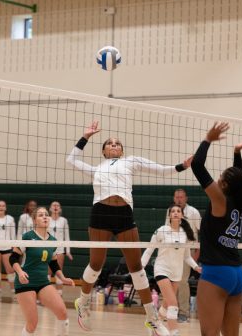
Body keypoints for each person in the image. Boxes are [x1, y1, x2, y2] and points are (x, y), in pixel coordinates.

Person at [66, 120, 191, 335]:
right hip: (100, 214)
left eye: (117, 143)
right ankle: (83, 301)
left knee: (136, 267)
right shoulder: (96, 169)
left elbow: (160, 170)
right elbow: (71, 159)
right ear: (104, 151)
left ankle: (152, 318)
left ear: (122, 150)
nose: (114, 145)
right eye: (109, 143)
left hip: (124, 214)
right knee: (96, 263)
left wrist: (181, 166)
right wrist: (85, 136)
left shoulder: (130, 161)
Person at [191, 122, 242, 336]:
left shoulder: (220, 199)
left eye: (221, 177)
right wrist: (236, 152)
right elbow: (240, 179)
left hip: (216, 272)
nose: (217, 179)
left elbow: (197, 165)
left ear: (224, 185)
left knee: (209, 333)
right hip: (236, 273)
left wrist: (207, 139)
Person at [11, 207, 74, 336]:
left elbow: (53, 263)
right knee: (32, 324)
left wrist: (62, 278)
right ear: (34, 221)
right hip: (26, 282)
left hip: (43, 282)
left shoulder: (53, 241)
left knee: (63, 313)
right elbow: (13, 258)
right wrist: (20, 272)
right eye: (40, 215)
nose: (45, 217)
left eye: (46, 215)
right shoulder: (28, 236)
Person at [142, 204, 201, 336]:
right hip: (162, 269)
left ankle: (152, 322)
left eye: (178, 211)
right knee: (174, 303)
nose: (175, 213)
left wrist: (196, 267)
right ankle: (174, 333)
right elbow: (149, 250)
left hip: (176, 272)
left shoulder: (185, 234)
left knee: (167, 303)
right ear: (169, 215)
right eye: (172, 211)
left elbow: (186, 256)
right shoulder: (161, 231)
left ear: (182, 215)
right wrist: (140, 268)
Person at [163, 189, 201, 322]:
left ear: (186, 198)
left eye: (181, 197)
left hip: (187, 251)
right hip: (172, 251)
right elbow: (167, 231)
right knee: (172, 281)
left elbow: (201, 233)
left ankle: (184, 313)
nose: (179, 199)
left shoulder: (193, 212)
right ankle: (172, 311)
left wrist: (197, 253)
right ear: (174, 198)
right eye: (177, 197)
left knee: (182, 282)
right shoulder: (170, 212)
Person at [48, 201, 72, 295]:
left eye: (57, 205)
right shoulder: (47, 219)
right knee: (47, 272)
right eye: (53, 205)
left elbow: (67, 236)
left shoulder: (63, 220)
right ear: (50, 208)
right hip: (48, 248)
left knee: (59, 272)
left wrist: (68, 251)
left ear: (60, 209)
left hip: (60, 249)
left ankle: (59, 293)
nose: (55, 206)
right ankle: (47, 294)